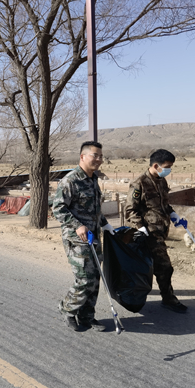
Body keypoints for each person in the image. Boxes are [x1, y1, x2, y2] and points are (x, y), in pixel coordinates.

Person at [52, 141, 114, 332]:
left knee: (95, 278)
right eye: (95, 155)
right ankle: (67, 310)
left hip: (94, 237)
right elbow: (58, 209)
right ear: (82, 157)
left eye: (101, 156)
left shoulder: (92, 179)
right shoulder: (70, 180)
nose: (99, 159)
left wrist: (107, 225)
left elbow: (95, 210)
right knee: (84, 278)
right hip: (76, 239)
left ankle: (87, 316)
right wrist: (77, 225)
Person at [125, 149, 188, 313]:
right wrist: (141, 228)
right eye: (167, 167)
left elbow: (163, 204)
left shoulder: (161, 181)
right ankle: (168, 299)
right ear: (155, 165)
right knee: (165, 267)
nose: (169, 170)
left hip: (161, 231)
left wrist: (173, 214)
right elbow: (130, 210)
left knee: (152, 267)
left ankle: (145, 296)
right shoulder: (139, 184)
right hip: (149, 234)